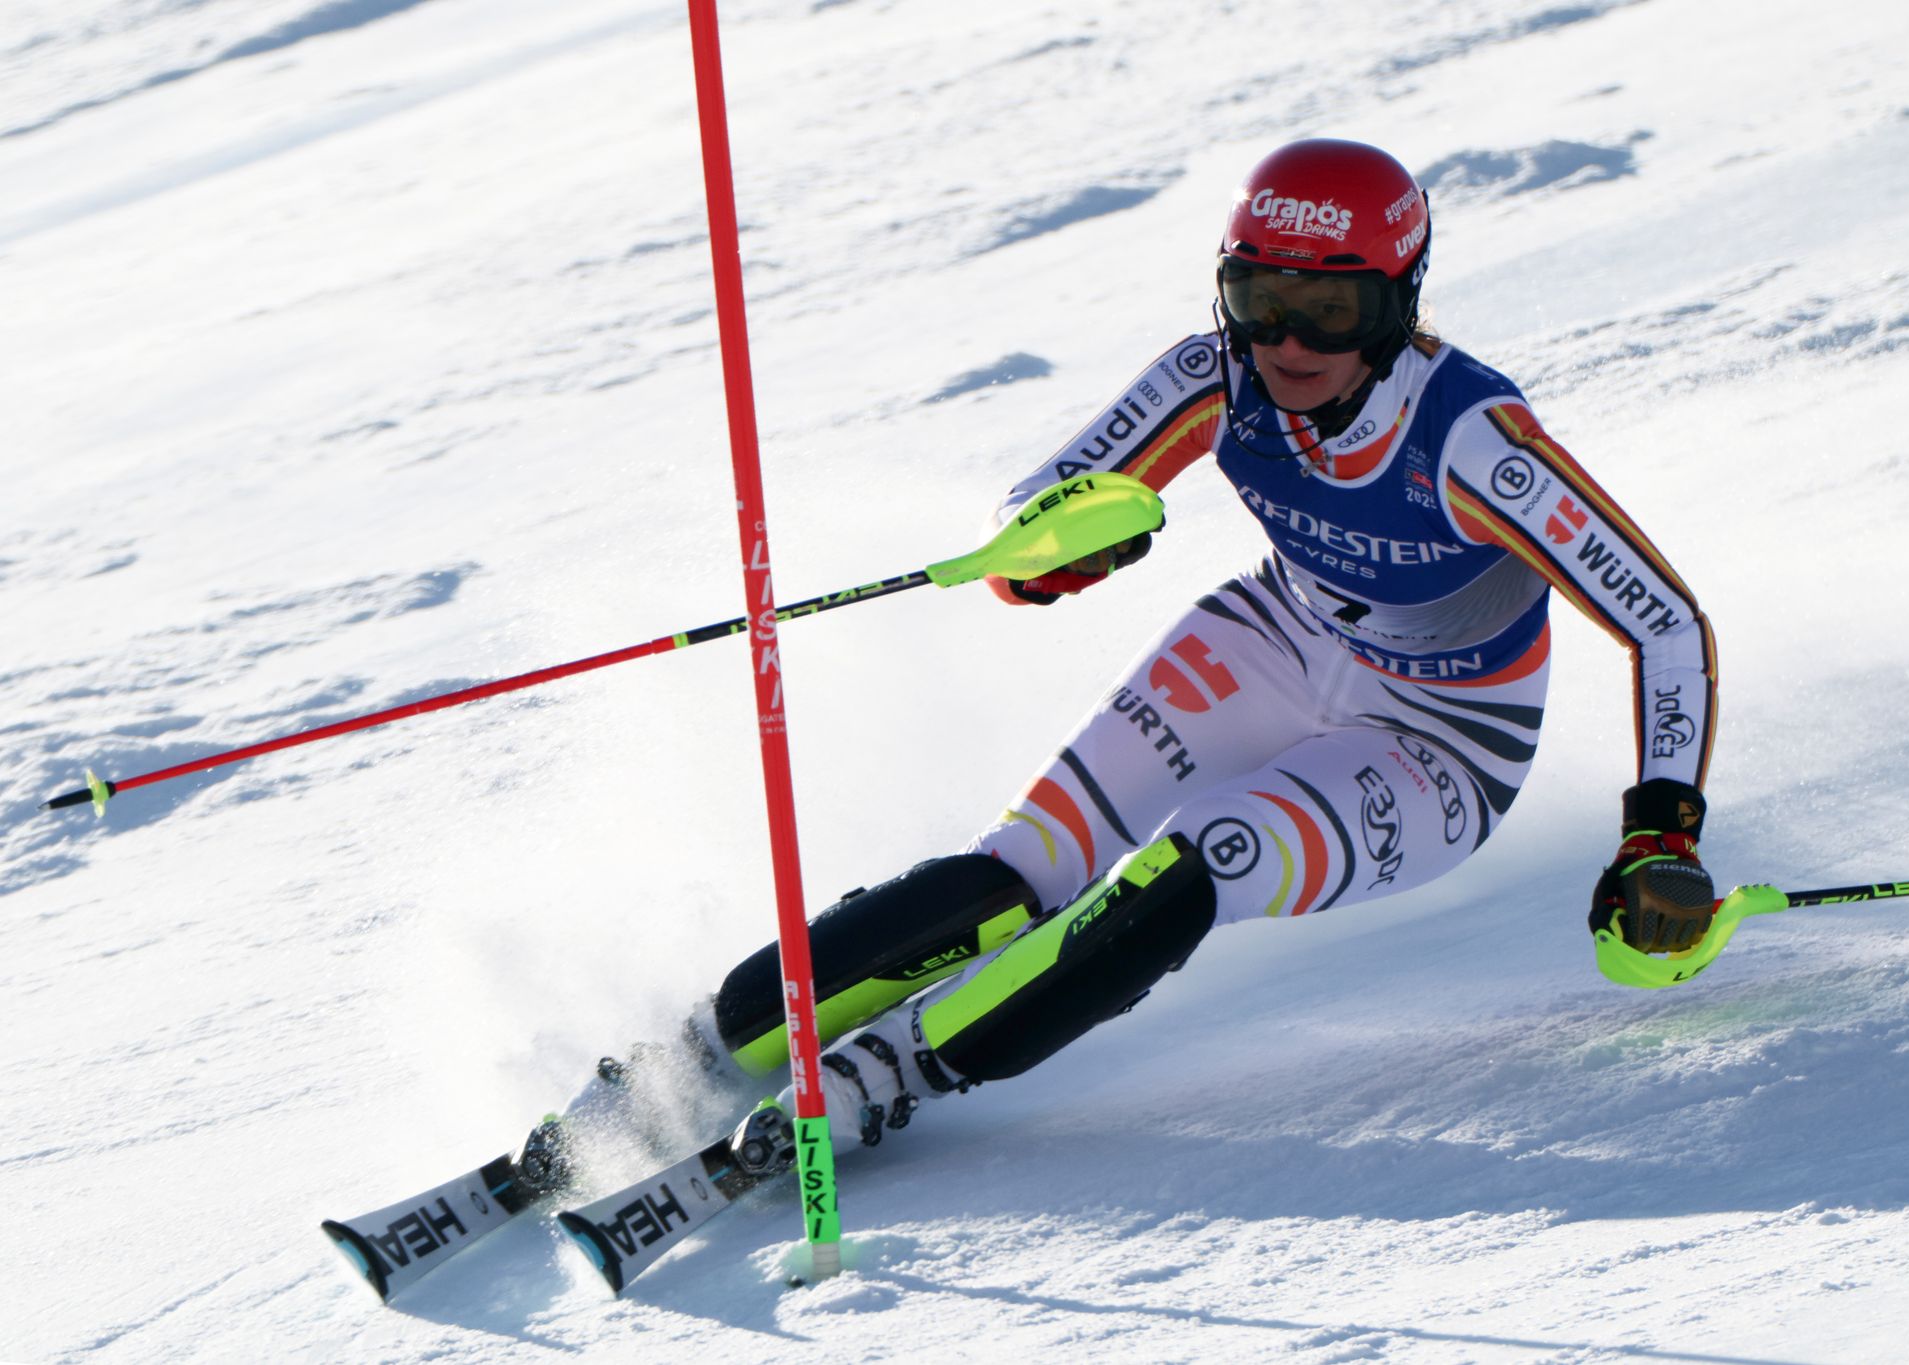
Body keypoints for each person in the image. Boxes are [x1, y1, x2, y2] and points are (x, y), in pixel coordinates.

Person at [518, 137, 1720, 1188]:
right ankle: (682, 1065)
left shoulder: (1471, 441)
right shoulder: (1214, 375)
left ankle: (890, 1074)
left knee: (1198, 863)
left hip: (1441, 744)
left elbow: (1663, 619)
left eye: (1332, 312)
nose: (1288, 341)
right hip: (1276, 638)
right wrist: (1053, 545)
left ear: (1398, 304)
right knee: (1018, 870)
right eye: (1257, 297)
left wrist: (1659, 834)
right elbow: (1040, 505)